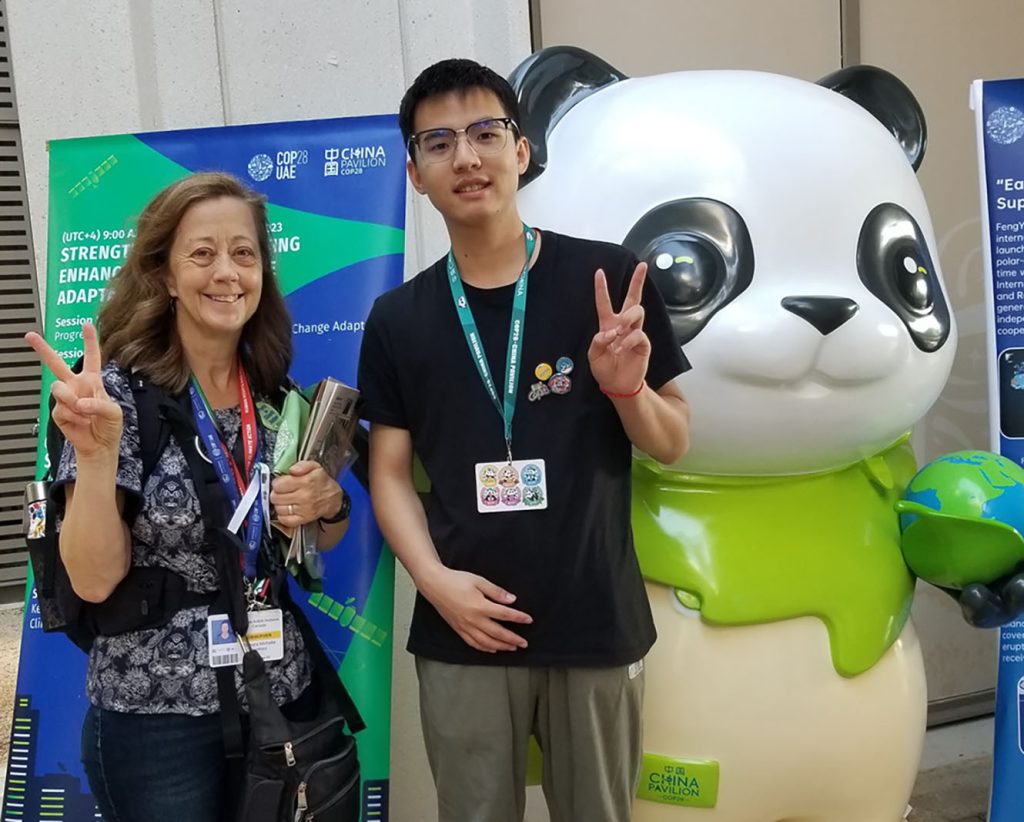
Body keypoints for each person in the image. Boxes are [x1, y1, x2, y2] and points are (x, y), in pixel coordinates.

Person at [358, 59, 691, 822]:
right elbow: (388, 474)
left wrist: (627, 388)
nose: (466, 158)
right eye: (439, 142)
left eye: (485, 133)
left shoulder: (608, 279)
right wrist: (438, 586)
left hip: (593, 615)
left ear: (522, 150)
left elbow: (671, 442)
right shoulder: (399, 319)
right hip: (463, 624)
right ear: (415, 172)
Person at [26, 172, 351, 822]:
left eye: (244, 253)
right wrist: (94, 459)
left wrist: (327, 505)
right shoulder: (114, 401)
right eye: (202, 253)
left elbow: (307, 546)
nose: (226, 271)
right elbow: (91, 582)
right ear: (167, 275)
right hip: (157, 722)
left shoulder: (277, 398)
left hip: (279, 695)